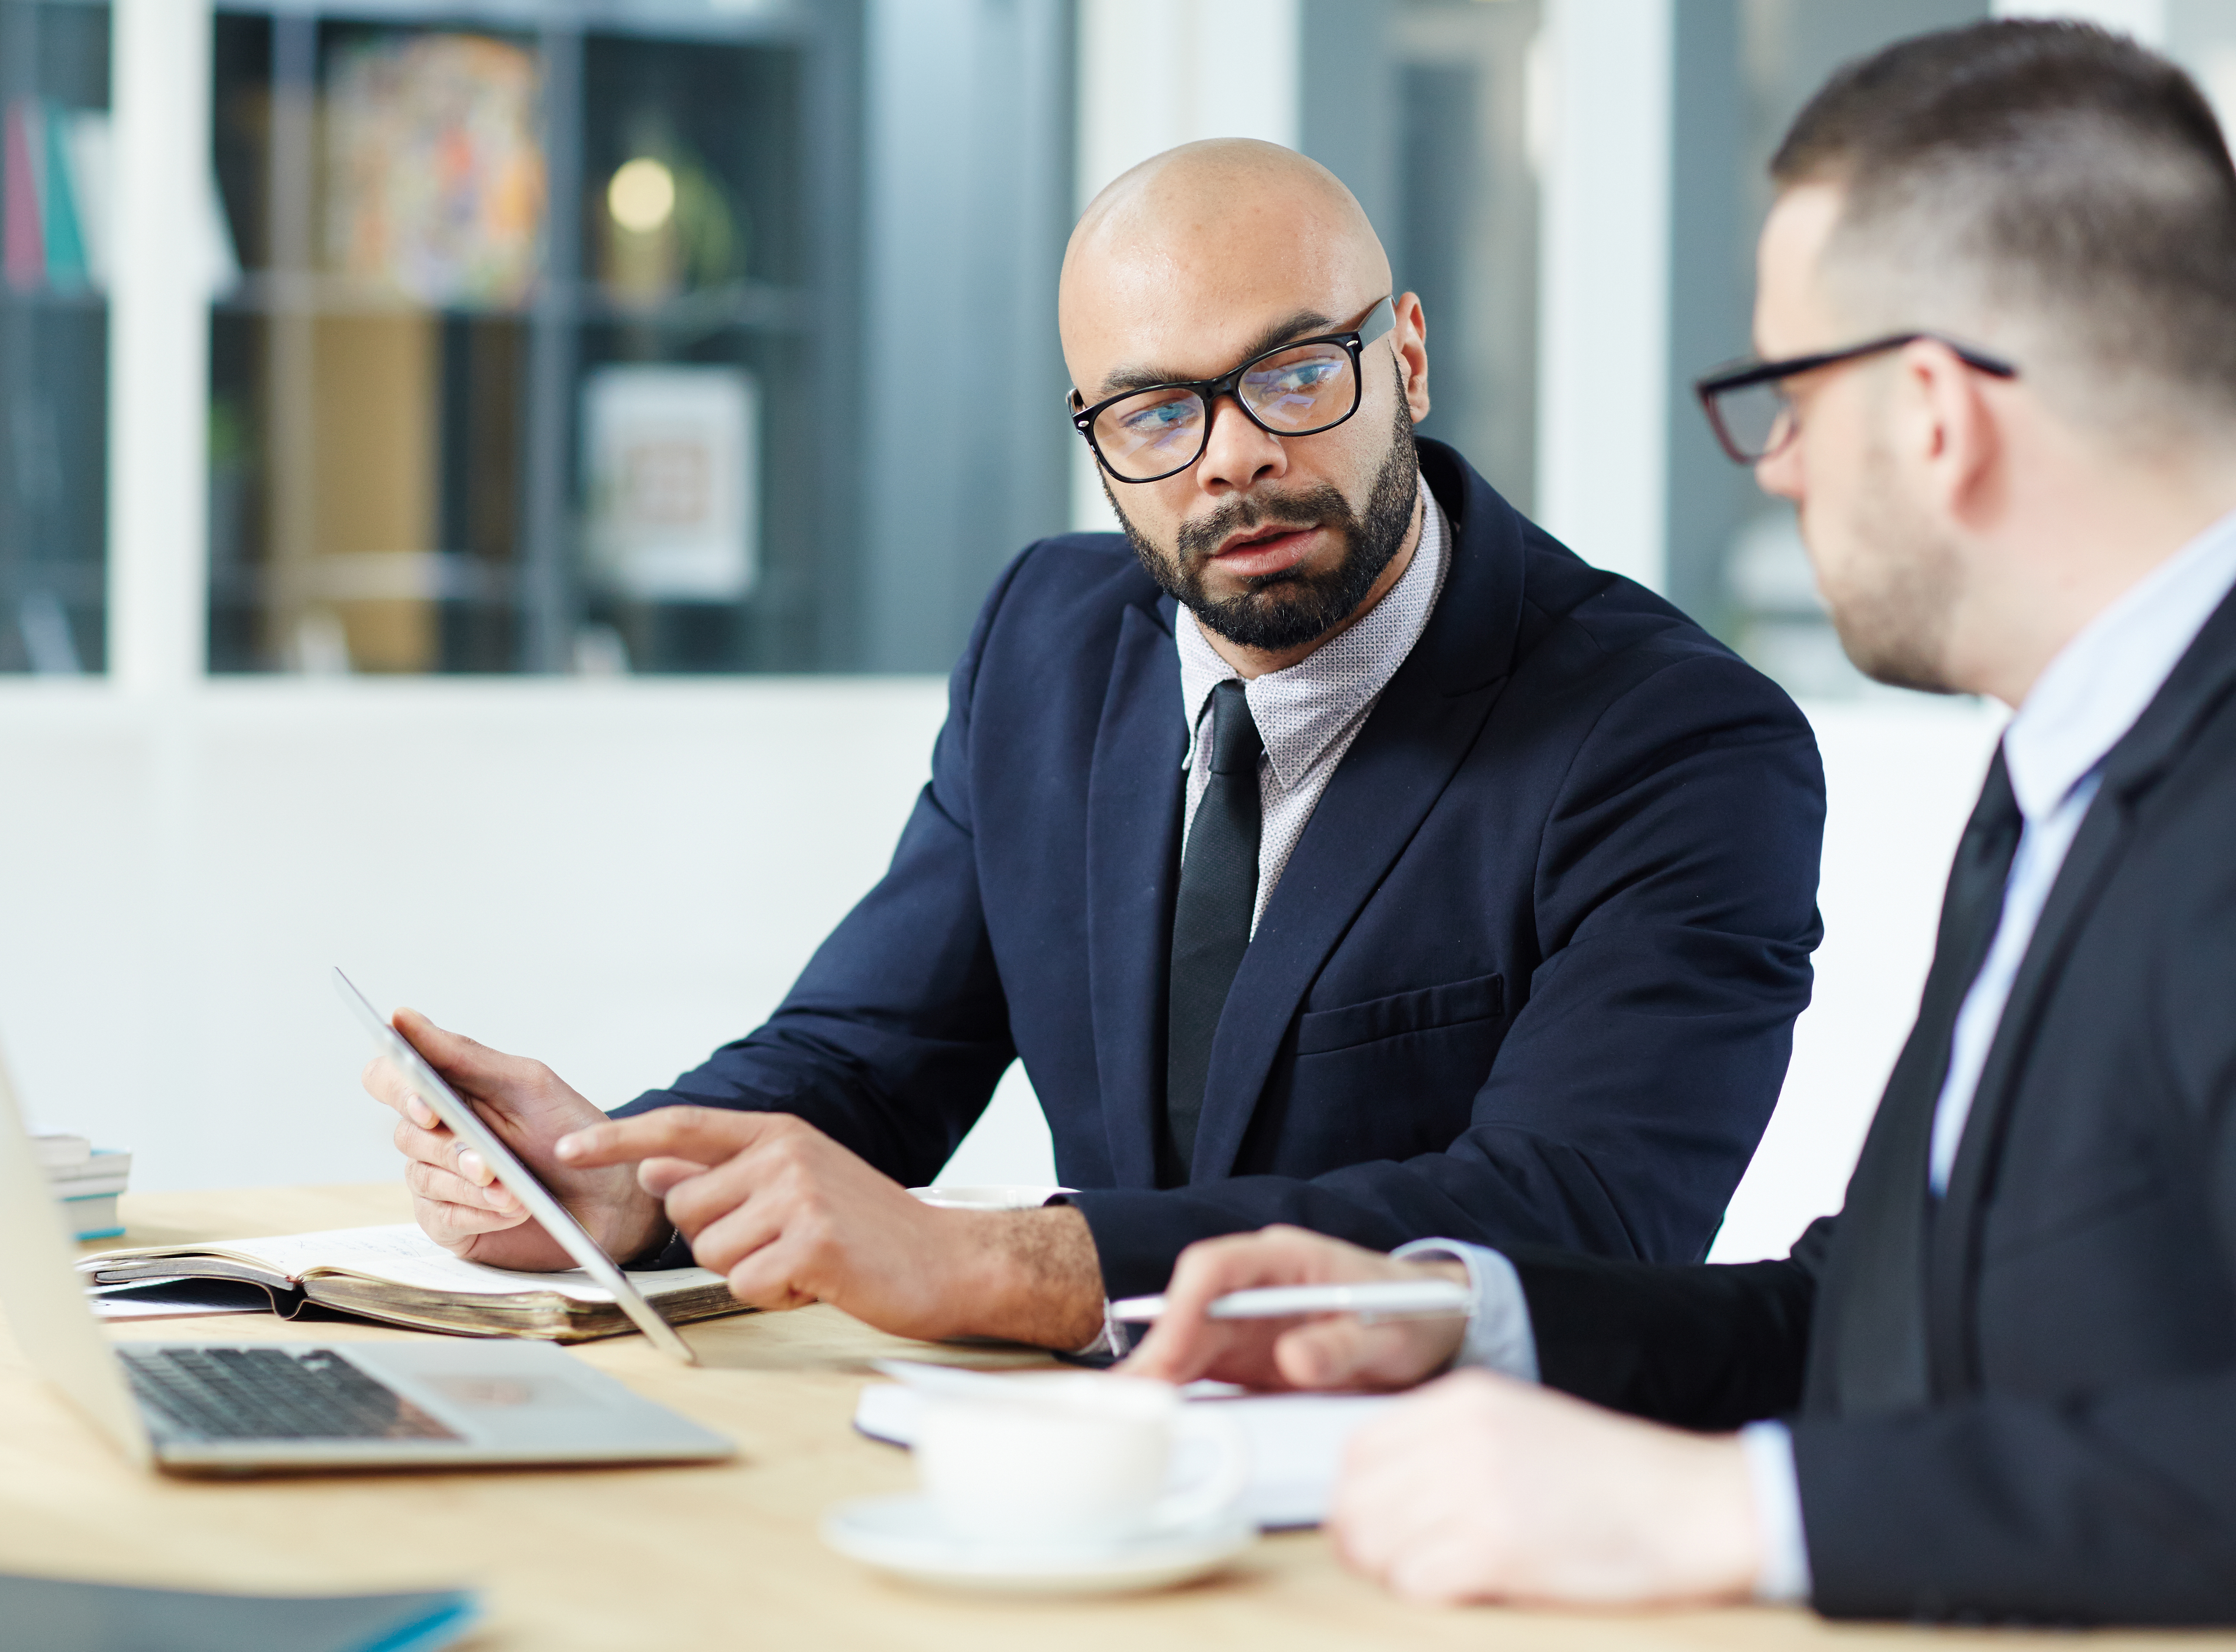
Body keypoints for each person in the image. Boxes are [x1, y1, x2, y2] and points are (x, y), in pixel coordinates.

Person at [1125, 20, 2236, 1624]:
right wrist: (1465, 1316)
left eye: (1787, 392)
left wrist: (1745, 1513)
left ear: (1934, 411)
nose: (1776, 463)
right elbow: (1880, 1330)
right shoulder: (2062, 778)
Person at [365, 140, 1824, 1353]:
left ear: (1410, 359)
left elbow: (1576, 1217)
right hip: (1087, 1487)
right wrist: (622, 1180)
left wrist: (1008, 1265)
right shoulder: (1045, 644)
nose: (1230, 456)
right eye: (1154, 412)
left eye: (1297, 373)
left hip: (1449, 1514)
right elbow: (873, 1059)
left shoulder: (1678, 741)